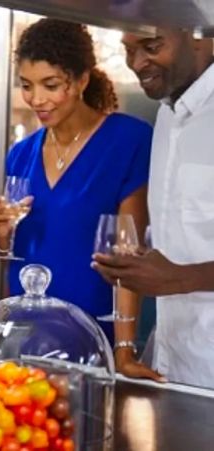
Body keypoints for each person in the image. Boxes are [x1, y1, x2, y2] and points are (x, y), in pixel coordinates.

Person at [0, 19, 160, 381]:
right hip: (24, 337)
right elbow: (14, 249)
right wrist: (1, 232)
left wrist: (124, 353)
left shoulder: (130, 141)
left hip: (93, 337)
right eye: (27, 86)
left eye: (51, 85)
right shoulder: (21, 154)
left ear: (82, 80)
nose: (36, 99)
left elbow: (128, 256)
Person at [93, 29, 214, 388]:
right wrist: (138, 267)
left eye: (151, 47)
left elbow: (179, 270)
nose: (136, 63)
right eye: (128, 50)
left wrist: (180, 277)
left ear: (202, 34)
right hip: (171, 364)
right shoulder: (165, 117)